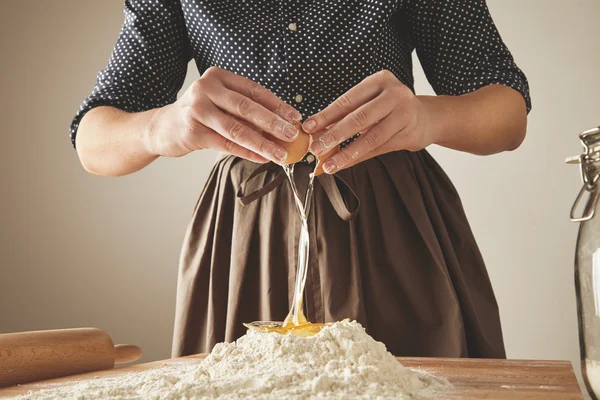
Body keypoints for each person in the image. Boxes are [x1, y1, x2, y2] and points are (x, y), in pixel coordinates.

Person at [71, 0, 530, 359]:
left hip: (393, 227)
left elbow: (507, 112)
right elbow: (92, 139)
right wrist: (162, 127)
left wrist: (424, 117)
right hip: (248, 238)